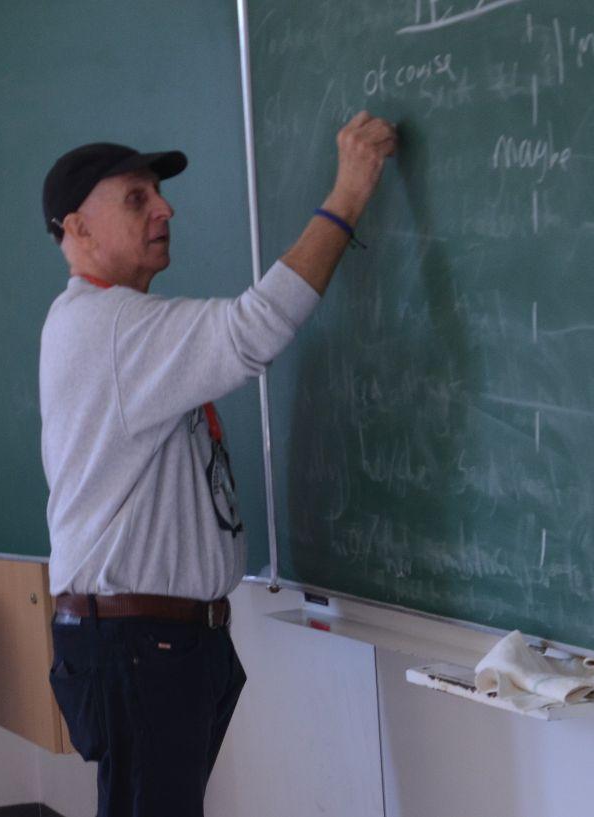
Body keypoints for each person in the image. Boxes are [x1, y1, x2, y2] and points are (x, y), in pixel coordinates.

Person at [39, 111, 396, 817]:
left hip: (157, 640)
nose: (164, 208)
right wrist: (349, 194)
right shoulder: (108, 326)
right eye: (136, 198)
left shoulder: (111, 323)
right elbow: (254, 328)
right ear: (77, 229)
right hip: (140, 643)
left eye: (159, 193)